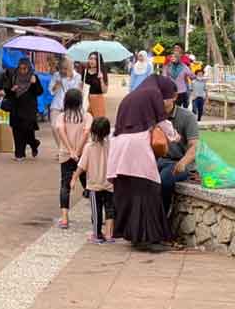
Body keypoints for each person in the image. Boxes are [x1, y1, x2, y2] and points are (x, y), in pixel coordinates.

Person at [107, 76, 179, 252]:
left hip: (119, 146)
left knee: (129, 192)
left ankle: (135, 236)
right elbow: (162, 121)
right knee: (149, 191)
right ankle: (151, 239)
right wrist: (174, 136)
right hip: (137, 146)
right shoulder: (153, 93)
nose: (169, 101)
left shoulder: (132, 96)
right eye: (170, 97)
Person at [73, 117, 114, 244]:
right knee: (110, 209)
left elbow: (82, 166)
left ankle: (97, 234)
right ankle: (109, 234)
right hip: (110, 184)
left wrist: (74, 178)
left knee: (96, 211)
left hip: (94, 185)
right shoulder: (112, 145)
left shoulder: (89, 147)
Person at [56, 89, 93, 229]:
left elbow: (61, 132)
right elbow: (86, 132)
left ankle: (64, 218)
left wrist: (71, 150)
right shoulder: (87, 116)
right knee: (89, 185)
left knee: (65, 185)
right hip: (83, 155)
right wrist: (77, 151)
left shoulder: (62, 117)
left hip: (66, 155)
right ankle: (95, 215)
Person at [159, 96, 200, 216]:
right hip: (160, 160)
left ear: (174, 96)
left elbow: (195, 146)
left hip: (181, 162)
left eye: (164, 95)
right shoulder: (154, 115)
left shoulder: (187, 116)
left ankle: (162, 220)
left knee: (164, 180)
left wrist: (183, 162)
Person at [4, 57, 44, 161]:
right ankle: (19, 154)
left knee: (28, 131)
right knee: (17, 131)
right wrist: (12, 90)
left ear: (29, 68)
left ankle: (34, 144)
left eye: (25, 68)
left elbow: (39, 92)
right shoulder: (13, 77)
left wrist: (34, 83)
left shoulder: (33, 77)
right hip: (16, 109)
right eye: (21, 68)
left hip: (29, 110)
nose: (22, 71)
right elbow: (7, 92)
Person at [49, 57, 82, 158]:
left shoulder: (77, 77)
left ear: (70, 67)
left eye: (65, 68)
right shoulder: (56, 76)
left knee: (69, 129)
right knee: (55, 126)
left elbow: (77, 92)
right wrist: (56, 86)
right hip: (57, 105)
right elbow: (51, 91)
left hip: (71, 106)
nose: (63, 71)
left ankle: (69, 150)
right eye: (61, 68)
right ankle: (61, 149)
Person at [163, 44, 195, 108]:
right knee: (173, 103)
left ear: (181, 49)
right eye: (175, 48)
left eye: (178, 48)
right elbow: (164, 71)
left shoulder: (185, 60)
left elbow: (190, 72)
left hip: (183, 84)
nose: (176, 49)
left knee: (184, 103)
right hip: (171, 86)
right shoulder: (168, 60)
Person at [82, 52, 108, 118]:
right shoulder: (85, 72)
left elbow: (105, 91)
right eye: (90, 58)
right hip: (86, 101)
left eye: (95, 59)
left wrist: (101, 79)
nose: (92, 61)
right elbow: (81, 87)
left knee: (98, 123)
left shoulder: (102, 72)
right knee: (86, 123)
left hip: (98, 101)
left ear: (99, 61)